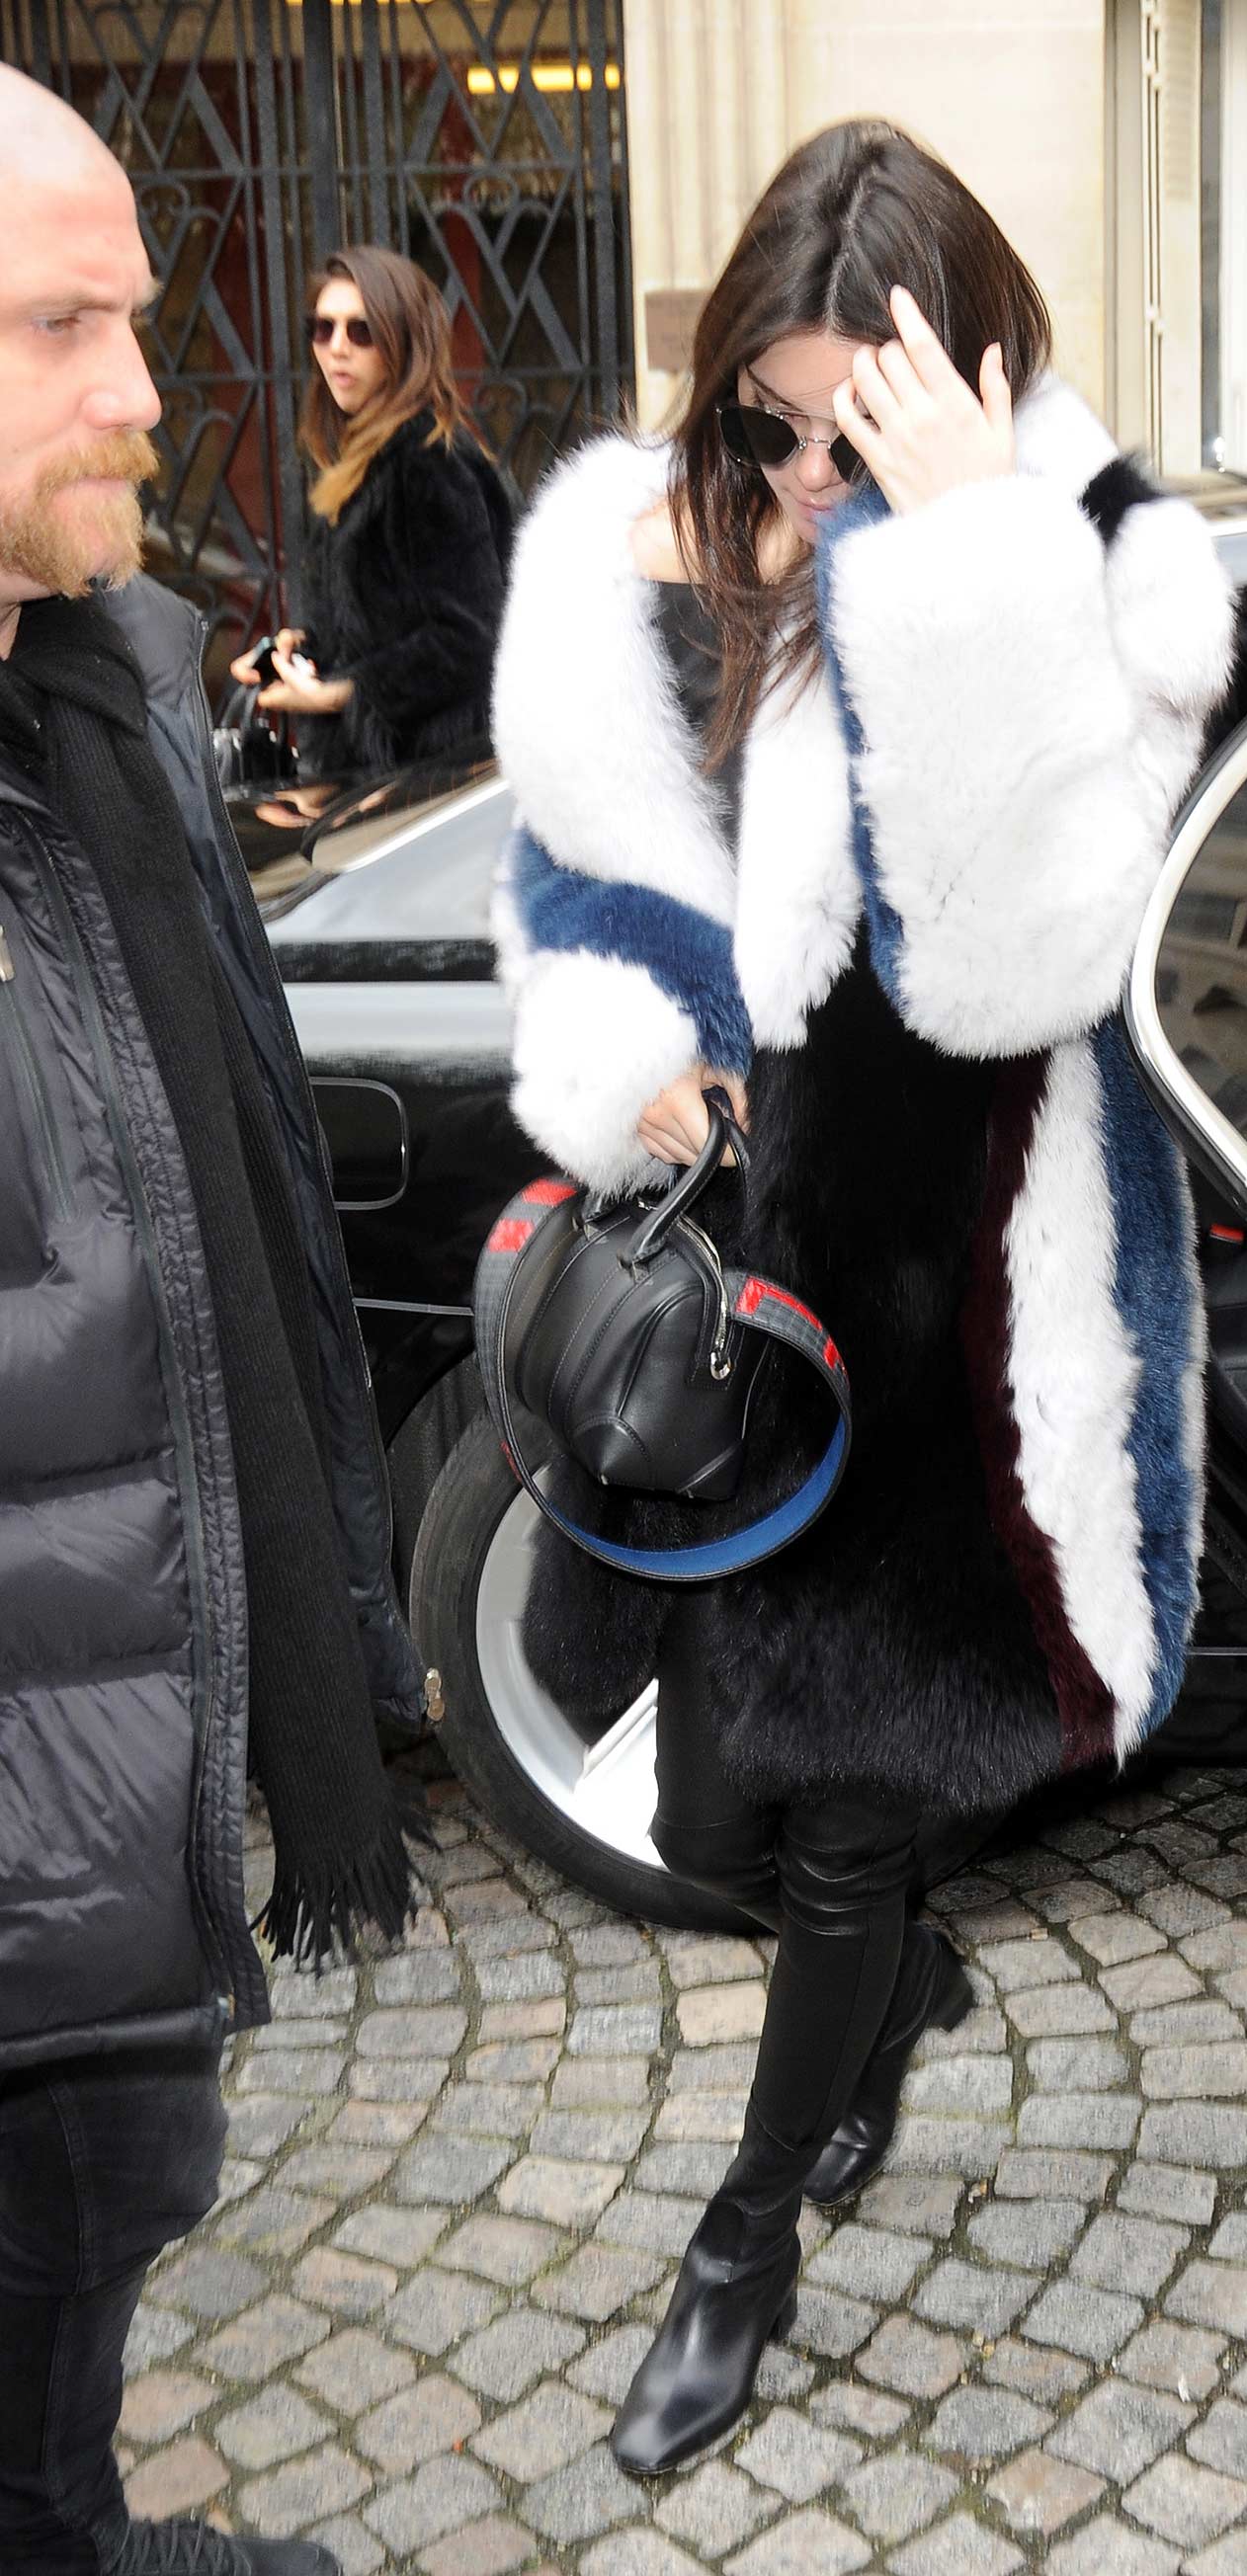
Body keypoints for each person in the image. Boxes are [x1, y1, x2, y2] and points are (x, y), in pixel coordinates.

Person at [491, 118, 1235, 2472]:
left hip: (960, 1323)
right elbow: (577, 905)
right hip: (736, 1308)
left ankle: (743, 2241)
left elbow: (1020, 963)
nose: (805, 476)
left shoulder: (1097, 575)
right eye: (767, 425)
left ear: (967, 383)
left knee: (836, 1815)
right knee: (711, 1823)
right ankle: (890, 1978)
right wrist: (635, 1072)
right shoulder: (656, 567)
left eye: (855, 429)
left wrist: (973, 560)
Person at [0, 69, 429, 2576]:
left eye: (138, 319)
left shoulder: (107, 702)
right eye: (61, 324)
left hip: (116, 1835)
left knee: (78, 2307)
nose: (150, 389)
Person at [230, 245, 513, 778]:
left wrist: (340, 693)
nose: (337, 349)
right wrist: (300, 649)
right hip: (380, 779)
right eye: (323, 329)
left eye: (361, 331)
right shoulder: (362, 458)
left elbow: (469, 641)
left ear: (403, 343)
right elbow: (387, 623)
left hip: (427, 783)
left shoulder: (429, 464)